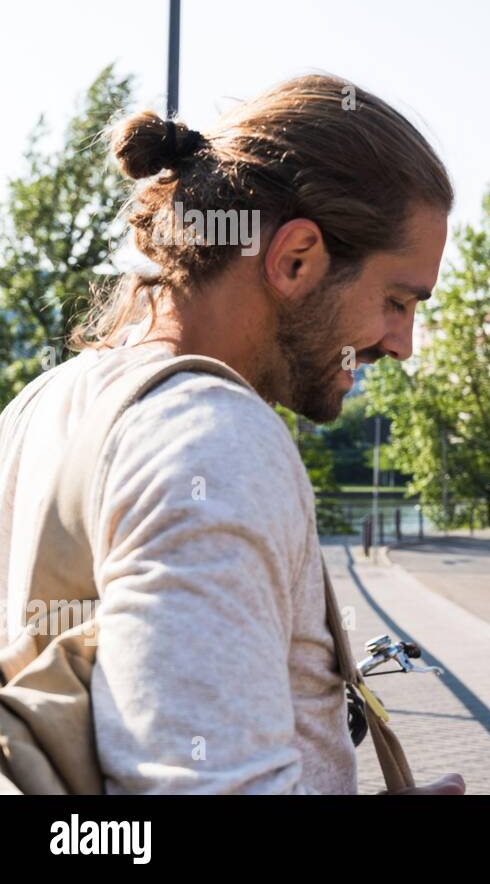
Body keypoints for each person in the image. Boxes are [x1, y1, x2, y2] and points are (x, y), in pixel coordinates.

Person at [0, 73, 463, 794]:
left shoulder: (39, 406)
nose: (403, 344)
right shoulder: (213, 440)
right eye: (398, 300)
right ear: (296, 259)